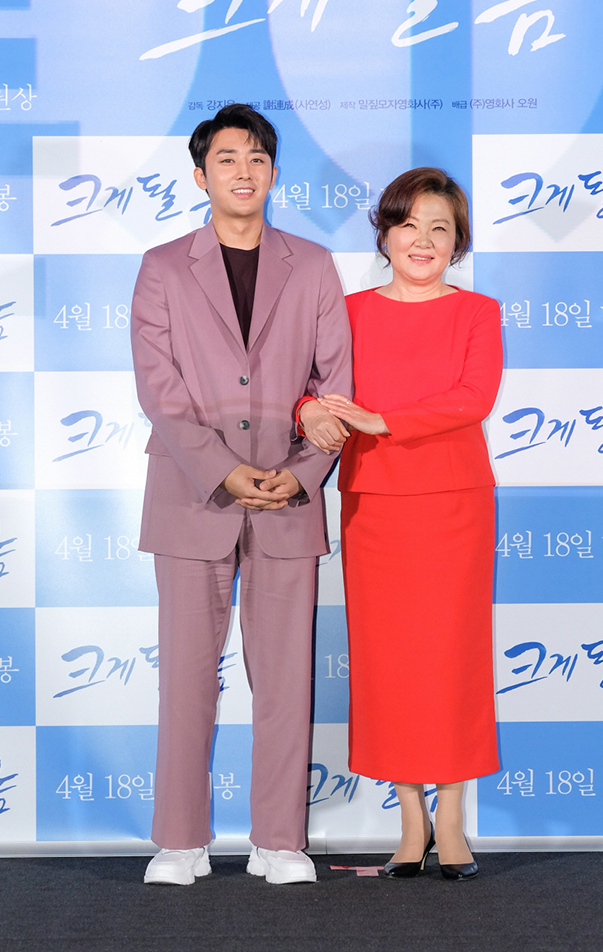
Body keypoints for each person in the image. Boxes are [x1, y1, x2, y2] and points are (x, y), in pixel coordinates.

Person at [131, 104, 352, 886]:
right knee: (188, 677)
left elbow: (335, 384)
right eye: (227, 158)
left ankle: (279, 841)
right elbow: (159, 390)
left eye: (258, 158)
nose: (244, 171)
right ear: (201, 176)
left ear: (275, 173)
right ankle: (180, 841)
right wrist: (223, 469)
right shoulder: (163, 267)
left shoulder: (314, 265)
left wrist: (304, 469)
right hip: (193, 495)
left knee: (286, 679)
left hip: (289, 494)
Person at [300, 168, 502, 880]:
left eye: (439, 228)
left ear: (457, 242)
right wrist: (309, 409)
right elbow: (307, 385)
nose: (423, 240)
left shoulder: (477, 312)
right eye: (409, 225)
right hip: (375, 504)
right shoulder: (347, 311)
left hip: (455, 505)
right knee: (389, 663)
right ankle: (411, 821)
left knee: (453, 660)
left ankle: (452, 820)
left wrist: (384, 419)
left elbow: (474, 397)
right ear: (384, 234)